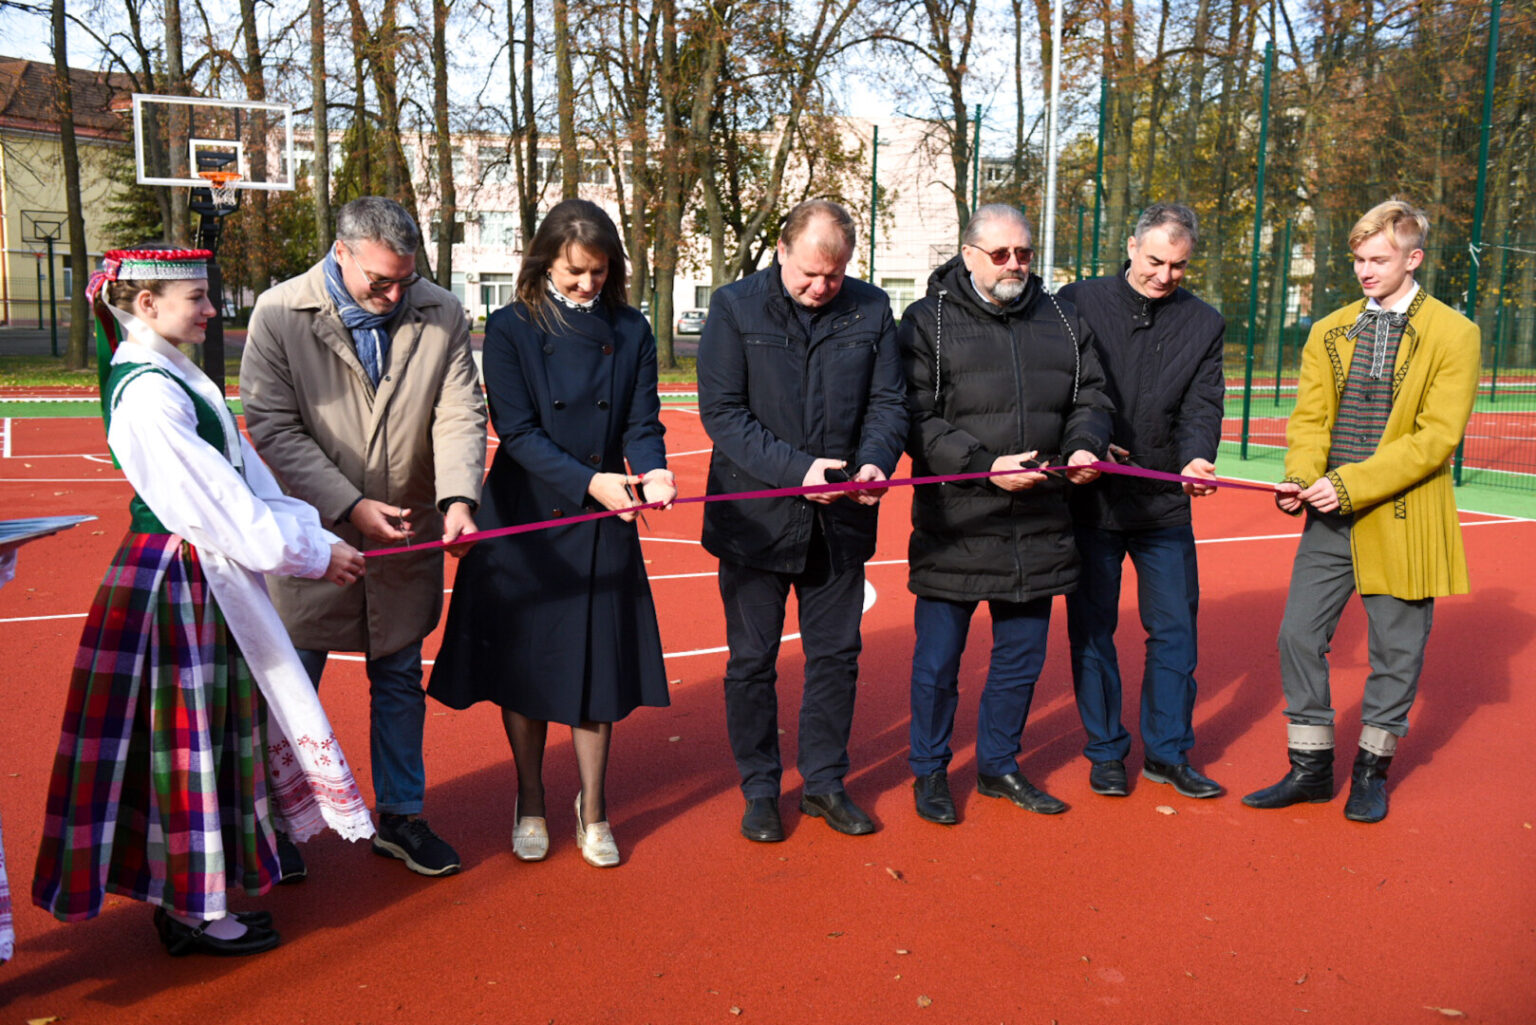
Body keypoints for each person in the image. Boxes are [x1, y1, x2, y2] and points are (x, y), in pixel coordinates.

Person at [32, 247, 372, 957]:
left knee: (205, 741)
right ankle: (190, 908)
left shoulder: (175, 374)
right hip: (175, 586)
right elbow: (214, 507)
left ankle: (194, 896)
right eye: (197, 296)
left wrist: (311, 537)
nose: (212, 309)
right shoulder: (149, 391)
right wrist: (310, 553)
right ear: (146, 303)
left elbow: (246, 480)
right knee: (181, 747)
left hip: (200, 580)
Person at [241, 197, 487, 876]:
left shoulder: (439, 310)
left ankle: (403, 816)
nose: (394, 293)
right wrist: (348, 505)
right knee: (293, 681)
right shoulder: (279, 312)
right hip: (316, 538)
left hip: (409, 529)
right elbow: (272, 426)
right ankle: (273, 818)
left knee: (401, 675)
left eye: (405, 279)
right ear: (340, 251)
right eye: (380, 279)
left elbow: (460, 410)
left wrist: (460, 500)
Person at [428, 199, 674, 867]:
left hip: (601, 518)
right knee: (526, 666)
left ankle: (593, 807)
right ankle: (531, 796)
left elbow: (641, 421)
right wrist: (591, 481)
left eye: (598, 272)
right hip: (527, 513)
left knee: (598, 669)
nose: (586, 285)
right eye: (573, 272)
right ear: (544, 262)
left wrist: (652, 471)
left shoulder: (632, 330)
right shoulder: (508, 328)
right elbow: (518, 431)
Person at [1243, 198, 1480, 823]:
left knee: (1395, 652)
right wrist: (1301, 478)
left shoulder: (1455, 333)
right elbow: (1311, 420)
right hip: (1329, 516)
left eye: (1379, 259)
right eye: (1358, 259)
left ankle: (1371, 772)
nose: (1365, 271)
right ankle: (1311, 767)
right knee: (1297, 635)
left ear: (1414, 258)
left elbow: (1435, 438)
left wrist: (1348, 485)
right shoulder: (1330, 329)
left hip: (1401, 514)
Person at [698, 199, 907, 841]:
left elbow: (889, 402)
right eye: (809, 274)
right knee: (752, 661)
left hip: (839, 524)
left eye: (835, 276)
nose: (822, 288)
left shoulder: (871, 310)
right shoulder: (735, 307)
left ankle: (823, 784)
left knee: (836, 657)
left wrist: (873, 463)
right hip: (754, 522)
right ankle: (761, 788)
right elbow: (724, 413)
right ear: (781, 250)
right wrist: (799, 471)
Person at [899, 204, 1111, 825]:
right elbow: (914, 417)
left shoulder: (1064, 320)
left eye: (1023, 253)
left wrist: (1083, 445)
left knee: (1020, 660)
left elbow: (1091, 397)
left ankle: (998, 765)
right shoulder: (927, 322)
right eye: (1000, 254)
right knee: (938, 664)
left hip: (1042, 523)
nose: (1015, 264)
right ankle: (930, 771)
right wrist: (983, 464)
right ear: (969, 256)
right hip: (958, 524)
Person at [1058, 203, 1227, 801]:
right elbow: (1062, 387)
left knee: (1176, 633)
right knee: (1093, 630)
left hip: (1162, 506)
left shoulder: (1204, 323)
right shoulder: (1076, 300)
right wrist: (1084, 444)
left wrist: (1196, 457)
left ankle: (1168, 753)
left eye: (1178, 266)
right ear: (1131, 246)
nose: (1164, 275)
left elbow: (1202, 405)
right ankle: (1105, 752)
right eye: (1156, 260)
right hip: (1092, 500)